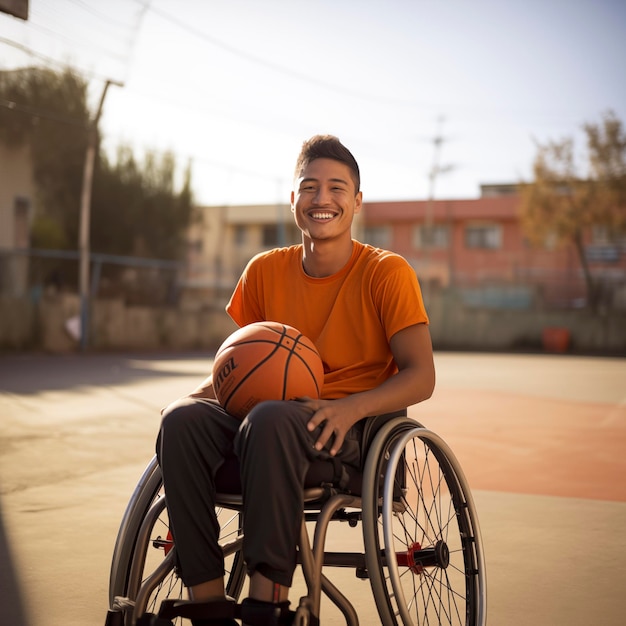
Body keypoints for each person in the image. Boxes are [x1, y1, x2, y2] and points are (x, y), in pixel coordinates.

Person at [157, 135, 435, 626]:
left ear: (357, 201)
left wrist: (351, 408)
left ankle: (269, 604)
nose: (322, 199)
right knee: (182, 421)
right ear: (293, 199)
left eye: (336, 187)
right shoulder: (263, 271)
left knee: (270, 419)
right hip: (265, 420)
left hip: (350, 429)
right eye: (309, 187)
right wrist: (193, 399)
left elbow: (422, 376)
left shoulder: (387, 272)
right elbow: (243, 371)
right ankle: (208, 603)